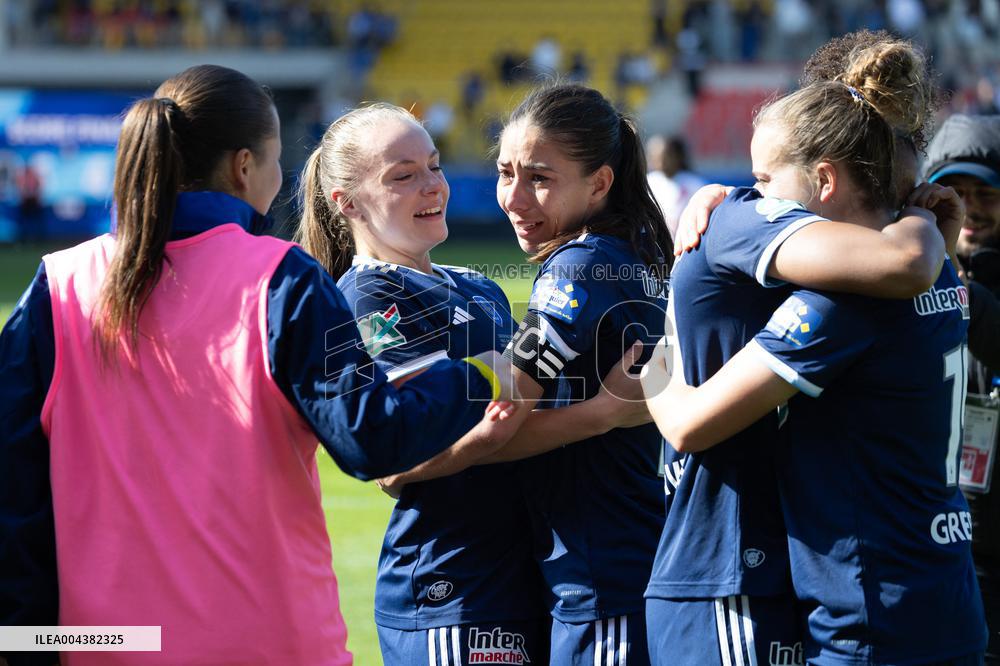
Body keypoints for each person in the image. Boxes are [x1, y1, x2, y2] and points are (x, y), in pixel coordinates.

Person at [0, 65, 516, 666]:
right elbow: (374, 437)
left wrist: (27, 641)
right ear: (245, 167)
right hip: (267, 642)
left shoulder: (58, 285)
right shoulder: (280, 277)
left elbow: (13, 489)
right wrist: (482, 375)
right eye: (277, 162)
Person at [642, 38, 988, 664]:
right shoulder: (940, 269)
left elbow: (689, 423)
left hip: (871, 614)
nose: (752, 199)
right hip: (947, 592)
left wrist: (651, 364)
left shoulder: (848, 301)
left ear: (825, 178)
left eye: (763, 183)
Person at [294, 102, 650, 666]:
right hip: (453, 586)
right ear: (346, 202)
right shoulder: (367, 300)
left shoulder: (478, 286)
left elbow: (518, 412)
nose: (432, 186)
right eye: (403, 176)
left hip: (529, 576)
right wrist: (603, 413)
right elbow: (400, 463)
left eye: (434, 166)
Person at [925, 112, 1000, 663]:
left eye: (987, 193)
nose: (970, 209)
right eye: (956, 191)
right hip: (935, 543)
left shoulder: (932, 277)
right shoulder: (897, 277)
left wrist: (951, 280)